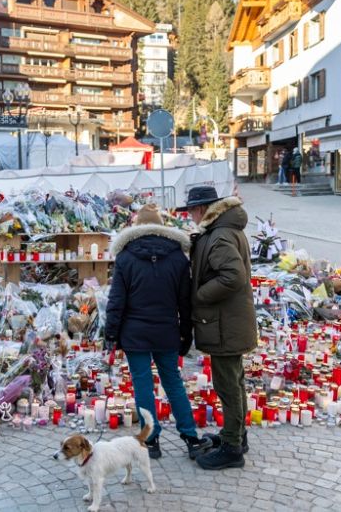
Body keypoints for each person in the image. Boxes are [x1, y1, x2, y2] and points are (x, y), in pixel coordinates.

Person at [105, 204, 212, 460]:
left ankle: (150, 441)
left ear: (136, 228)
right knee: (173, 382)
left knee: (143, 384)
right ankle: (190, 437)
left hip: (135, 333)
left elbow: (116, 301)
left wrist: (111, 335)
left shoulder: (126, 257)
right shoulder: (177, 257)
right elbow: (185, 302)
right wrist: (186, 334)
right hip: (166, 331)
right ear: (161, 227)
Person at [179, 186, 256, 470]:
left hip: (226, 323)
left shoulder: (220, 235)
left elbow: (232, 276)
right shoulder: (223, 230)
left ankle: (233, 449)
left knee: (228, 385)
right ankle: (235, 436)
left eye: (191, 210)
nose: (190, 215)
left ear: (203, 210)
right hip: (228, 321)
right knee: (233, 382)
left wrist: (199, 295)